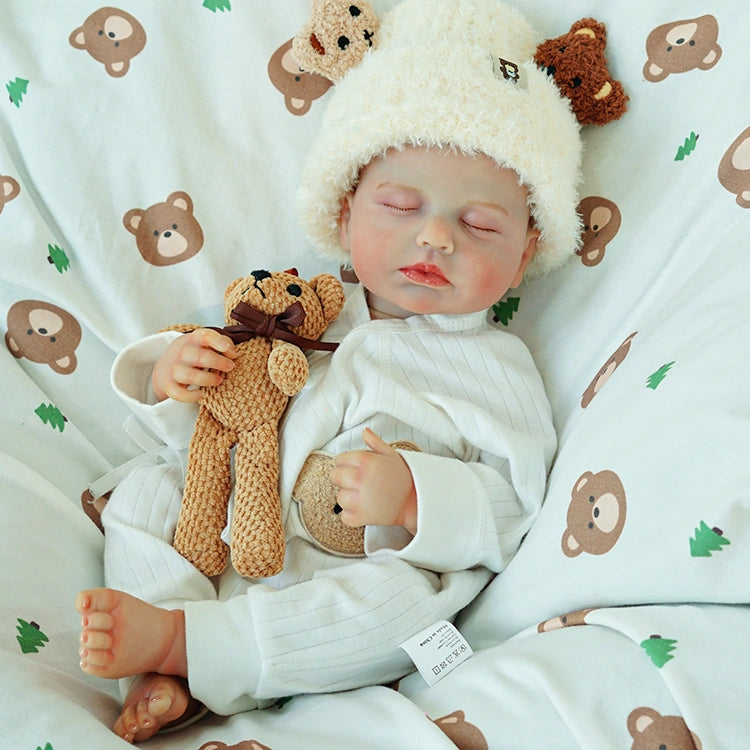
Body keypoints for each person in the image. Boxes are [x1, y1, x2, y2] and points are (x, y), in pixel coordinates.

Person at [75, 0, 583, 742]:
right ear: (346, 212)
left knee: (403, 610)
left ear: (527, 250)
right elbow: (214, 414)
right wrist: (169, 374)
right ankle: (168, 638)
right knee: (145, 493)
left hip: (339, 576)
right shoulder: (296, 308)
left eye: (479, 225)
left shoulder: (495, 368)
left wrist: (418, 498)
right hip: (219, 522)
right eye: (400, 204)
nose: (435, 236)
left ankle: (195, 650)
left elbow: (514, 504)